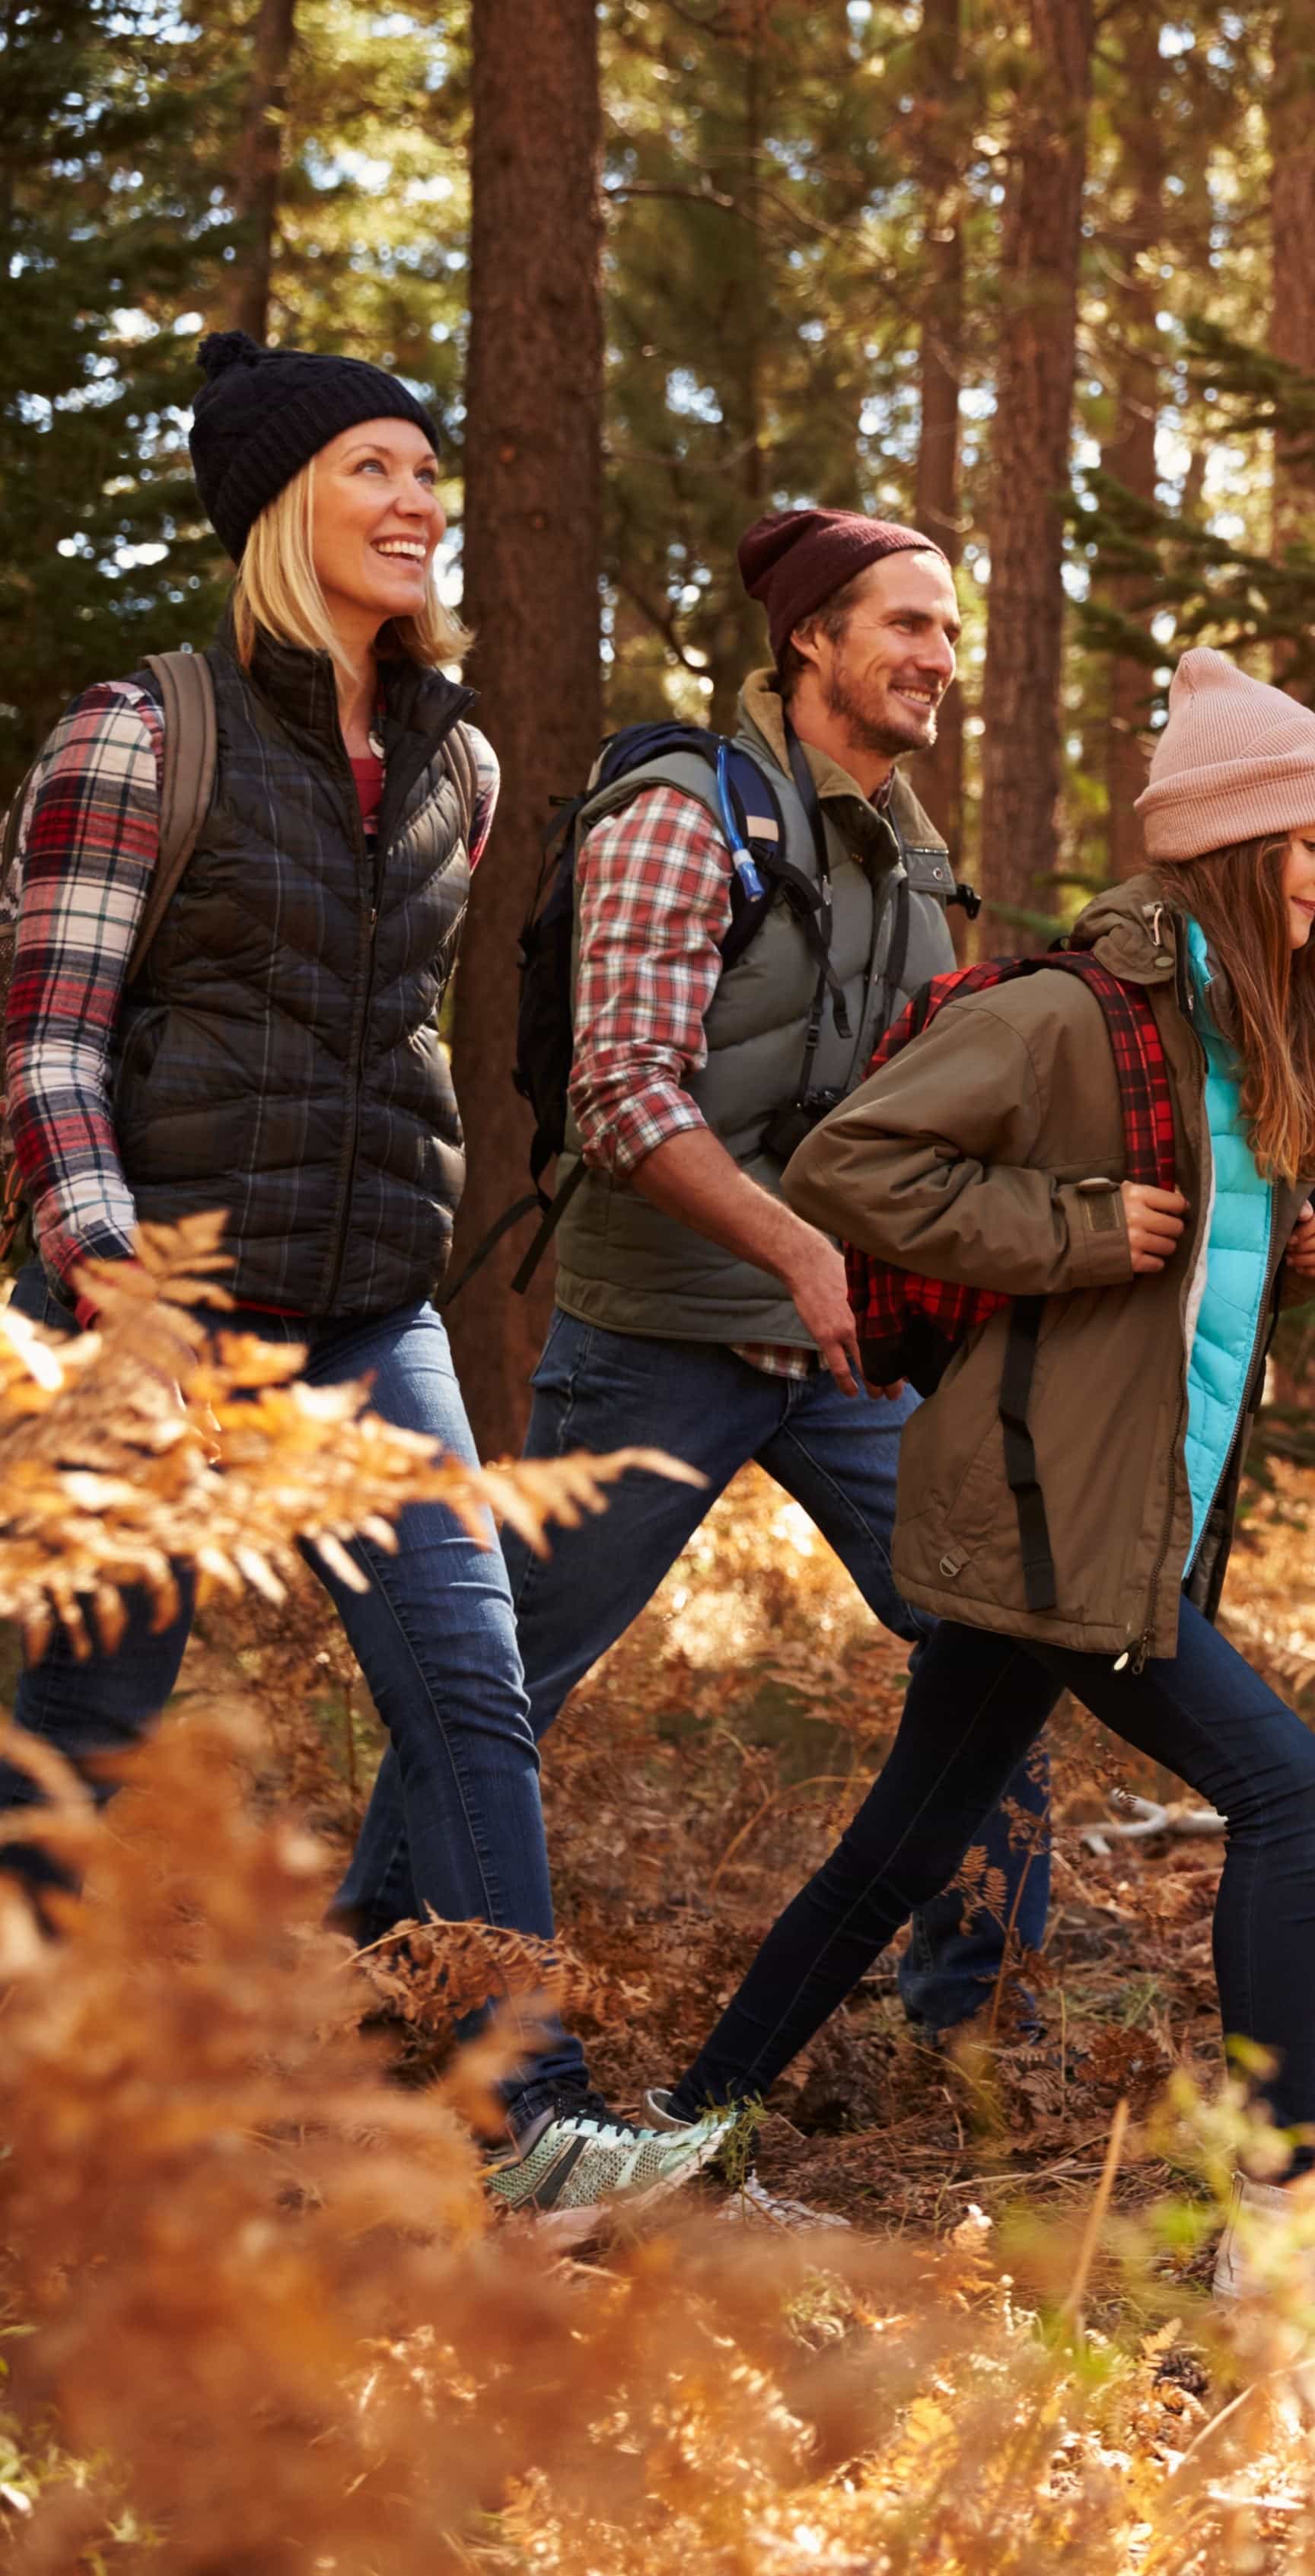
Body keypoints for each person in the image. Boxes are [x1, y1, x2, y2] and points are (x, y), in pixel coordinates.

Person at [0, 333, 734, 2215]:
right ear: (278, 508)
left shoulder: (458, 761)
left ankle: (532, 2120)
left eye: (429, 472)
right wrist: (111, 1272)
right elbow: (49, 1040)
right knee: (86, 1726)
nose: (419, 504)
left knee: (471, 1685)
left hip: (369, 1308)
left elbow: (384, 1030)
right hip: (154, 1303)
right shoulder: (138, 732)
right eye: (375, 470)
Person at [335, 508, 1052, 2040]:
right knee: (506, 1682)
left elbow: (952, 1111)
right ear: (813, 641)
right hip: (659, 1328)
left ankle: (985, 2036)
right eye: (906, 625)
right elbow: (621, 1094)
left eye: (948, 630)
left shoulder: (916, 859)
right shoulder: (681, 810)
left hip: (846, 1344)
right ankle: (385, 1984)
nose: (940, 657)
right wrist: (800, 1246)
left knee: (996, 1632)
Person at [660, 649, 1315, 2163]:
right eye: (1312, 843)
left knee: (909, 1835)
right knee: (1292, 1789)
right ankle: (1290, 2216)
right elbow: (851, 1165)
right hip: (1058, 1509)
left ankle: (677, 2125)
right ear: (1236, 845)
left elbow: (1185, 1286)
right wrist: (1068, 1227)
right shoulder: (1073, 1012)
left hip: (1107, 1498)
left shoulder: (1242, 1026)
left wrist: (1299, 1256)